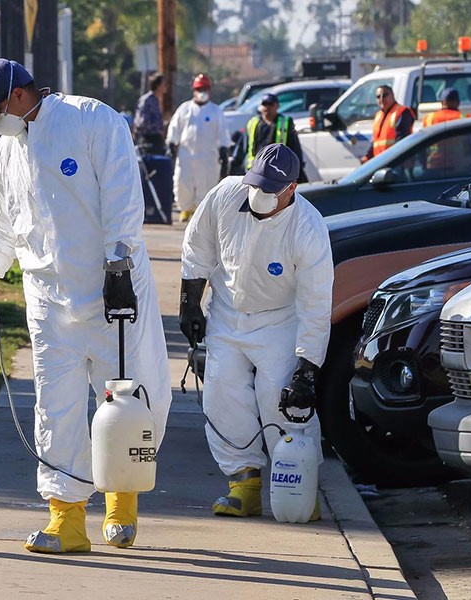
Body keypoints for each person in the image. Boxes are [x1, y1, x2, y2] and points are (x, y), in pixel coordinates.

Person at [0, 58, 172, 554]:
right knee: (55, 407)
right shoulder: (6, 151)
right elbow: (3, 227)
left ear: (19, 96)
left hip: (111, 291)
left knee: (126, 399)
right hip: (48, 300)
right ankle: (66, 519)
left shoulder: (91, 120)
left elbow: (124, 199)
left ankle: (121, 503)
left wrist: (119, 266)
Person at [179, 143, 333, 519]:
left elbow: (315, 305)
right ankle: (243, 484)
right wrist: (189, 304)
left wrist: (306, 370)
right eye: (257, 184)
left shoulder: (308, 229)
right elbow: (198, 247)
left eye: (271, 190)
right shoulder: (225, 195)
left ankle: (300, 487)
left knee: (279, 400)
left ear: (291, 189)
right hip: (227, 312)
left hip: (279, 320)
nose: (260, 195)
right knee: (222, 394)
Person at [166, 73, 231, 222]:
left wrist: (223, 149)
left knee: (207, 184)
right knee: (182, 182)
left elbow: (223, 133)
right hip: (186, 155)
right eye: (199, 89)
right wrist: (171, 142)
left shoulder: (216, 111)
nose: (202, 92)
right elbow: (175, 128)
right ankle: (185, 208)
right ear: (194, 90)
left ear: (210, 90)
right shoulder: (185, 109)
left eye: (205, 89)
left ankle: (202, 212)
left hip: (208, 156)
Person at [244, 93, 308, 183]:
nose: (267, 107)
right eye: (264, 104)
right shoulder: (253, 122)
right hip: (257, 169)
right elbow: (245, 146)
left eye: (270, 104)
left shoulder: (285, 122)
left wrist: (298, 166)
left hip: (278, 170)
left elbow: (295, 146)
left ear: (277, 106)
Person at [361, 85, 414, 163]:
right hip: (380, 162)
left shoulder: (402, 112)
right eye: (378, 97)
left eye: (385, 95)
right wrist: (367, 157)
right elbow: (376, 142)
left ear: (392, 95)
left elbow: (402, 140)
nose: (381, 99)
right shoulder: (378, 116)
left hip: (396, 162)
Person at [133, 72, 166, 154]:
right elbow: (142, 122)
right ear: (158, 85)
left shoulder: (157, 100)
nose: (165, 87)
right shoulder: (147, 100)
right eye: (163, 84)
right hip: (148, 140)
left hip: (156, 140)